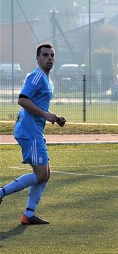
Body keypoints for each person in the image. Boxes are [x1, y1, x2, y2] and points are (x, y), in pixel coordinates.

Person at [0, 43, 66, 224]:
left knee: (45, 173)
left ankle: (29, 214)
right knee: (41, 175)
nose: (49, 58)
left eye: (52, 55)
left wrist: (54, 117)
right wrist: (46, 115)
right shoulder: (37, 76)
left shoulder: (46, 79)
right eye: (45, 55)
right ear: (38, 58)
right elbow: (22, 100)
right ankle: (2, 193)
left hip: (33, 130)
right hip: (30, 131)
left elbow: (38, 104)